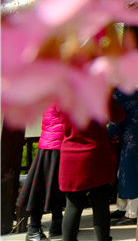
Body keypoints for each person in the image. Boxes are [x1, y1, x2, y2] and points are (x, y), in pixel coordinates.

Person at [60, 96, 126, 241]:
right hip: (96, 153)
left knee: (72, 205)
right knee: (100, 204)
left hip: (70, 155)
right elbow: (118, 116)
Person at [17, 104, 65, 241]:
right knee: (42, 188)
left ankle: (57, 222)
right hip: (54, 142)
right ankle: (33, 229)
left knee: (55, 186)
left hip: (55, 141)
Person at [107, 89, 138, 226]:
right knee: (124, 173)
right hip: (136, 139)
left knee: (130, 174)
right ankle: (122, 207)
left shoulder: (119, 98)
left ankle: (132, 213)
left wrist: (103, 136)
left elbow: (114, 122)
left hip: (131, 141)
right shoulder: (128, 95)